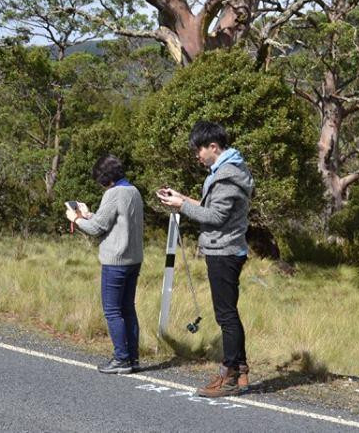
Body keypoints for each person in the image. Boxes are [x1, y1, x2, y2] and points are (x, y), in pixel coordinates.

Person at [157, 120, 254, 397]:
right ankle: (241, 369)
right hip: (225, 249)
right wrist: (182, 198)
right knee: (228, 312)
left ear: (213, 147)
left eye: (199, 150)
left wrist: (182, 206)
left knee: (226, 315)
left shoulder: (226, 175)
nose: (197, 156)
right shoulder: (226, 172)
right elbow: (211, 208)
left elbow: (215, 217)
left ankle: (230, 374)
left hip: (224, 250)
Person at [65, 154, 145, 374]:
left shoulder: (113, 193)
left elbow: (96, 229)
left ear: (104, 177)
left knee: (112, 311)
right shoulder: (133, 191)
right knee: (128, 309)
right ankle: (133, 359)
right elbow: (112, 222)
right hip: (134, 259)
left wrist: (76, 218)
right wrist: (89, 214)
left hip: (115, 261)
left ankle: (121, 359)